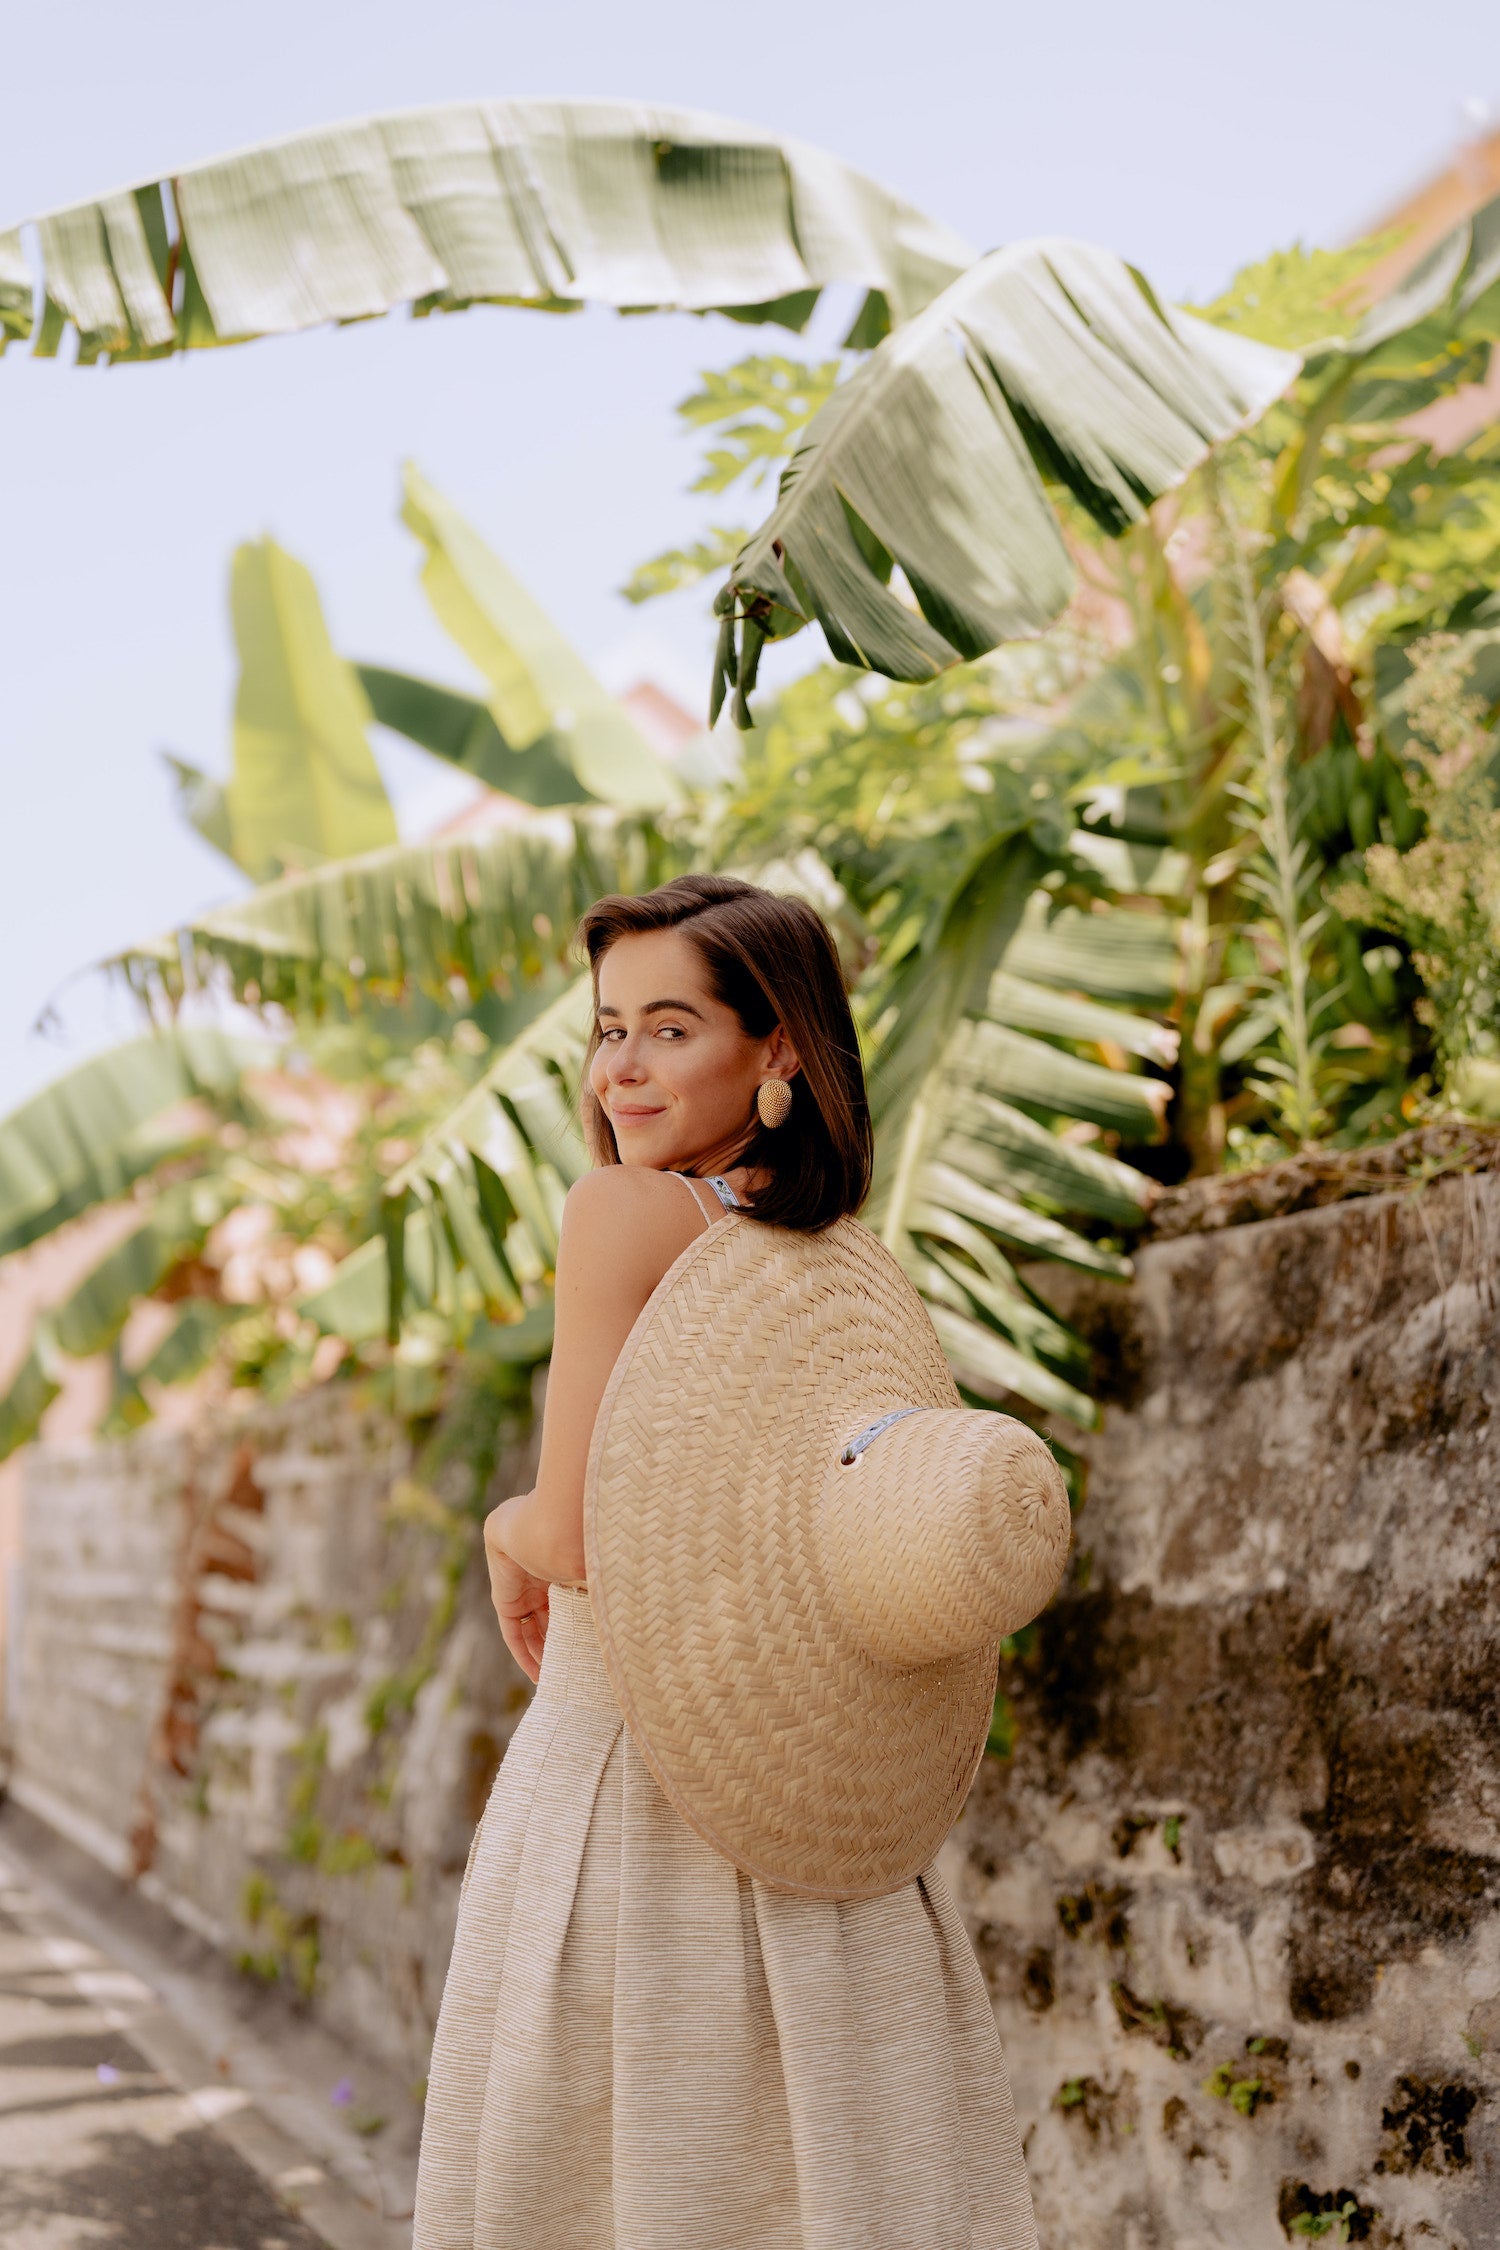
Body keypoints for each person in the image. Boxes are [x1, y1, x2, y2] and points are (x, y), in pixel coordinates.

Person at [412, 872, 1050, 2250]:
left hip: (637, 1793)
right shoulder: (835, 1262)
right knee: (830, 2176)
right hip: (835, 1810)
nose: (621, 1068)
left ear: (779, 1051)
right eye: (606, 1029)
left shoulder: (624, 1215)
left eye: (669, 1028)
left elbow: (574, 1532)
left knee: (616, 2182)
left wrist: (500, 1529)